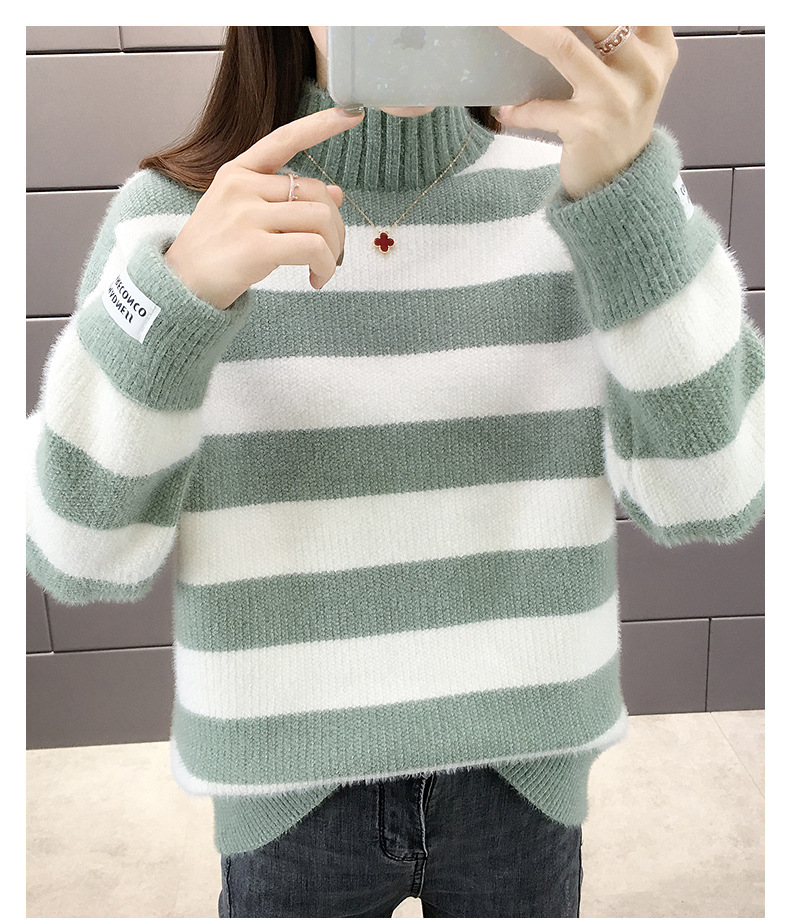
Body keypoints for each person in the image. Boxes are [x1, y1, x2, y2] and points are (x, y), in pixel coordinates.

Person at [26, 25, 765, 918]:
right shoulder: (178, 219)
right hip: (286, 791)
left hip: (524, 771)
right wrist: (175, 295)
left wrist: (630, 195)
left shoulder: (585, 189)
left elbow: (714, 496)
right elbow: (76, 553)